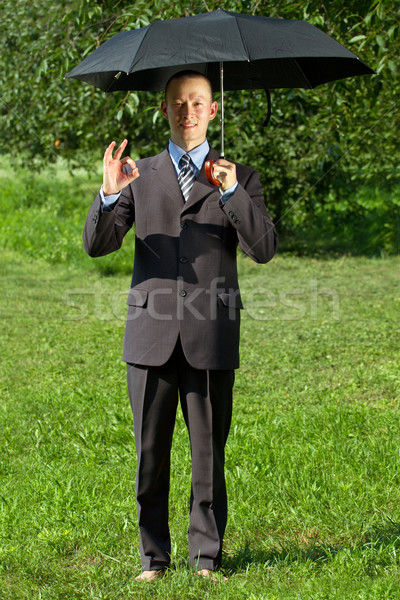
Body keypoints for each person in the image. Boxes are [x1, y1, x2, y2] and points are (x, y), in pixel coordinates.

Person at [83, 70, 278, 582]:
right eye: (177, 103)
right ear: (164, 110)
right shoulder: (137, 174)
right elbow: (98, 244)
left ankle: (206, 557)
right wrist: (107, 194)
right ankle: (154, 557)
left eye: (197, 102)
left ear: (213, 110)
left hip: (210, 334)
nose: (186, 111)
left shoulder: (239, 177)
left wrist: (233, 194)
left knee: (208, 452)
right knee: (150, 453)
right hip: (150, 336)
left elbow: (263, 250)